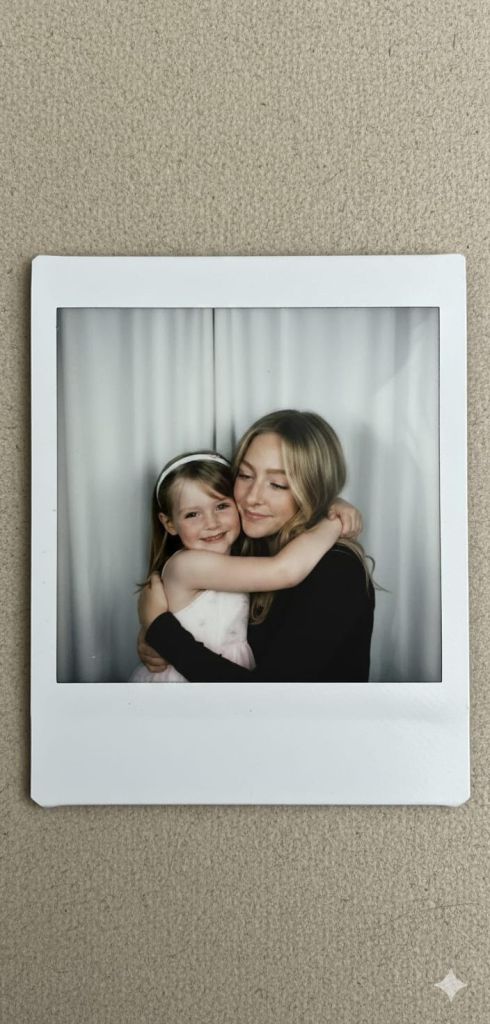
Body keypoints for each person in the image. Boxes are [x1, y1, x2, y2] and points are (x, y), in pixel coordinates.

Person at [138, 410, 375, 682]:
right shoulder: (247, 545)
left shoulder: (337, 569)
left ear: (314, 489)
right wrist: (152, 633)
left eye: (277, 484)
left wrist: (161, 630)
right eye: (245, 475)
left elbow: (270, 696)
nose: (252, 498)